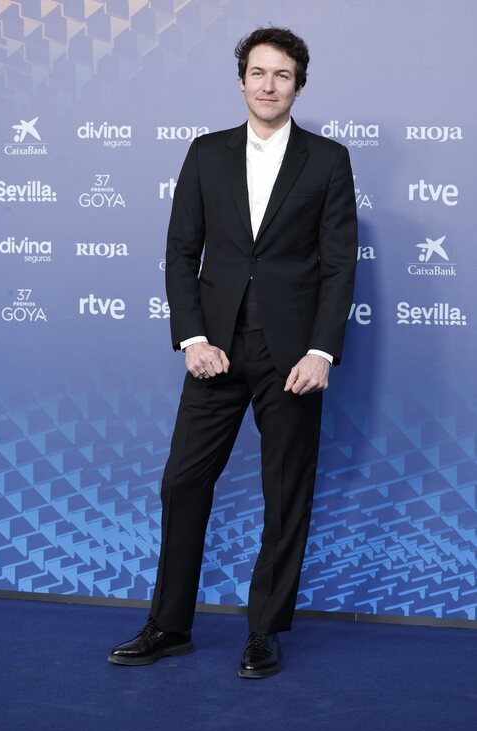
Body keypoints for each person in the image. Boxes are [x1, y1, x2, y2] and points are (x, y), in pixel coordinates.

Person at [109, 27, 357, 678]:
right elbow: (181, 252)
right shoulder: (205, 153)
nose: (269, 85)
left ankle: (263, 631)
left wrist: (322, 351)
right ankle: (169, 626)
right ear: (242, 80)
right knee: (182, 482)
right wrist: (192, 338)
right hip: (215, 349)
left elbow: (338, 265)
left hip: (292, 356)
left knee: (285, 492)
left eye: (282, 75)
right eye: (258, 73)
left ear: (298, 85)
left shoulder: (328, 160)